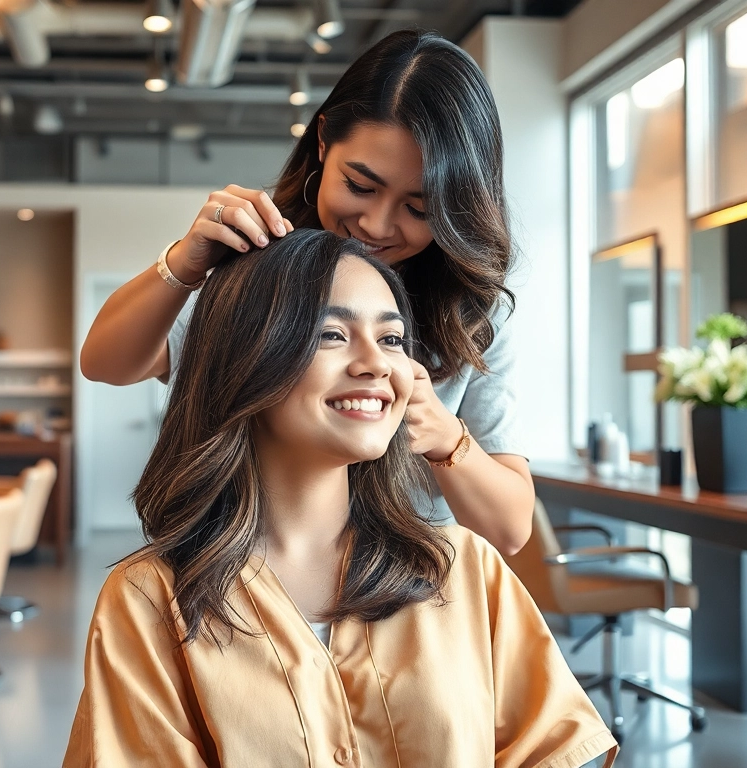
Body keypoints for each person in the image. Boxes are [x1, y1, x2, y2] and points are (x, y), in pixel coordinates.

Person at [64, 230, 616, 767]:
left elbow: (554, 749)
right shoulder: (148, 601)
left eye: (392, 339)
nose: (376, 363)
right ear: (245, 359)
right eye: (331, 334)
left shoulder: (464, 571)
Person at [81, 30, 533, 555]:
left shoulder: (474, 317)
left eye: (420, 208)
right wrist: (185, 261)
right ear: (324, 141)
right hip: (244, 582)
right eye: (360, 186)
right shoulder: (259, 269)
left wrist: (445, 436)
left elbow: (509, 530)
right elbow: (106, 363)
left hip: (401, 595)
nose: (375, 224)